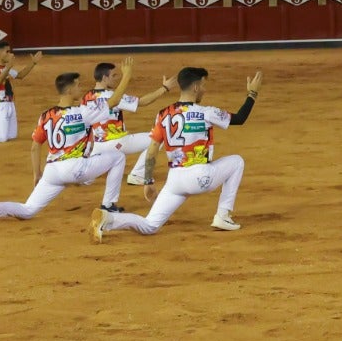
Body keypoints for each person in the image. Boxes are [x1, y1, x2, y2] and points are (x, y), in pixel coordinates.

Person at [89, 66, 262, 241]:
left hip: (175, 181)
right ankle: (223, 215)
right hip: (200, 178)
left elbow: (152, 151)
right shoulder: (206, 112)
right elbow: (240, 118)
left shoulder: (163, 114)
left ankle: (108, 219)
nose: (204, 89)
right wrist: (252, 94)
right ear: (195, 87)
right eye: (203, 85)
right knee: (236, 161)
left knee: (150, 225)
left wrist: (148, 181)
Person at [0, 63, 136, 227]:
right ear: (69, 90)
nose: (81, 89)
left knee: (28, 209)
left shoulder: (46, 115)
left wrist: (37, 174)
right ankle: (108, 206)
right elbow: (114, 101)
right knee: (118, 157)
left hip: (52, 171)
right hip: (75, 168)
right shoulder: (82, 112)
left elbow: (35, 146)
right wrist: (127, 75)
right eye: (78, 85)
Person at [82, 62, 177, 188]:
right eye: (113, 76)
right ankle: (137, 174)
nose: (116, 79)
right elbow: (142, 102)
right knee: (159, 137)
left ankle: (86, 175)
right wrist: (164, 88)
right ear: (104, 78)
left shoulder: (86, 97)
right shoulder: (112, 96)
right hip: (118, 143)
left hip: (99, 146)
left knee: (85, 177)